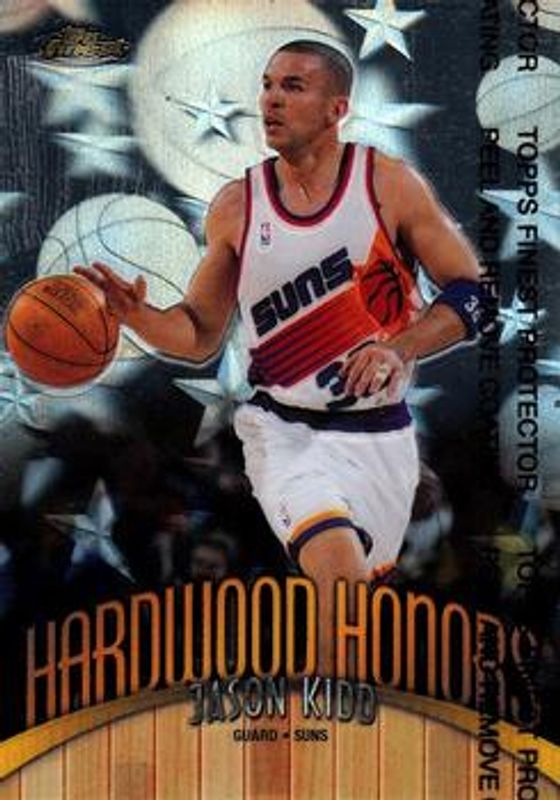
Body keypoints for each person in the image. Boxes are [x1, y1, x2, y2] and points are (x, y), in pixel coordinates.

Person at [77, 40, 480, 675]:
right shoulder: (237, 206)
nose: (270, 99)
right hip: (285, 430)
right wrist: (140, 317)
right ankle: (326, 727)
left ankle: (322, 704)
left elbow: (470, 295)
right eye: (267, 84)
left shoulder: (387, 185)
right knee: (340, 579)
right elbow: (199, 333)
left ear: (337, 108)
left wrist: (399, 346)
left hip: (383, 436)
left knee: (357, 610)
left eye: (293, 86)